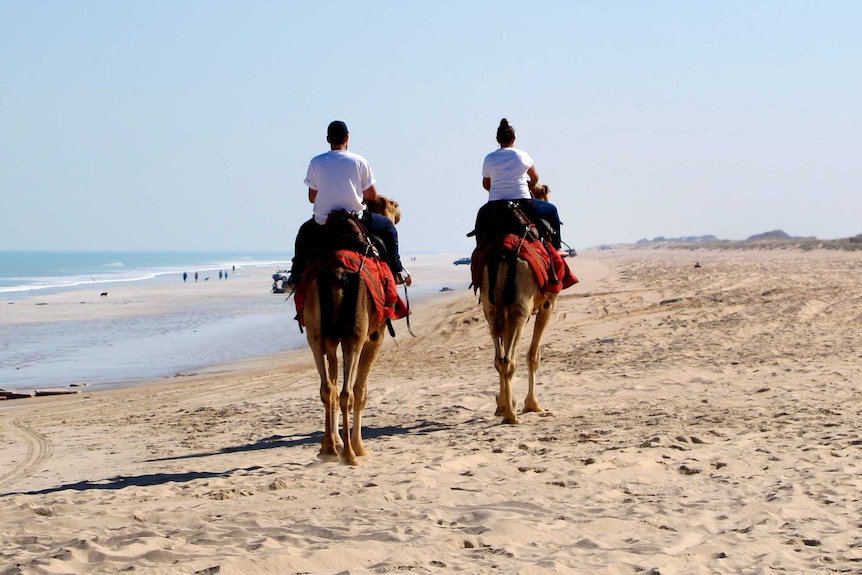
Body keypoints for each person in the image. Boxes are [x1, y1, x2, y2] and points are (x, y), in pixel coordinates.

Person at [287, 120, 409, 288]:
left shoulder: (316, 162)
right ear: (347, 138)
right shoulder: (359, 161)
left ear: (328, 139)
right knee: (388, 228)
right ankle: (397, 270)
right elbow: (372, 195)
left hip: (324, 221)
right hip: (356, 218)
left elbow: (312, 198)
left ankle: (295, 276)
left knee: (303, 235)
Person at [480, 118, 565, 253]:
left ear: (498, 140)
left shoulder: (489, 158)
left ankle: (480, 251)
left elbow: (486, 184)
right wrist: (531, 185)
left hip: (495, 204)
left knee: (481, 219)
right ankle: (557, 247)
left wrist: (498, 188)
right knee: (552, 210)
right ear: (513, 139)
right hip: (524, 202)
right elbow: (535, 177)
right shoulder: (522, 155)